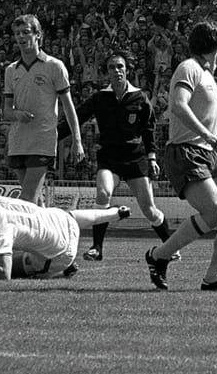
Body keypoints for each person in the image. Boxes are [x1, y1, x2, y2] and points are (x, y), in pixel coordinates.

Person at [145, 20, 217, 291]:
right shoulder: (189, 68)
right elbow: (178, 106)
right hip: (186, 152)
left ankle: (212, 279)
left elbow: (205, 122)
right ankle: (159, 256)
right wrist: (209, 138)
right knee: (215, 212)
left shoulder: (207, 75)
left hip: (209, 153)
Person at [64, 52, 172, 262]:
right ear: (107, 72)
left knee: (149, 210)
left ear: (127, 70)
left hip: (135, 158)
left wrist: (152, 158)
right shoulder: (100, 98)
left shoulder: (140, 97)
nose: (117, 70)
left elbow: (149, 130)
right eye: (112, 67)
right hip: (109, 157)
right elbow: (76, 117)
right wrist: (54, 134)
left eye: (120, 66)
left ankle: (170, 246)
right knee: (103, 194)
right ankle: (97, 248)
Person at [0, 193, 130, 280]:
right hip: (61, 218)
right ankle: (115, 213)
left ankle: (62, 270)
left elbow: (2, 274)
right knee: (74, 217)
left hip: (60, 254)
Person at [3, 14, 85, 205]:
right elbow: (6, 111)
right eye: (17, 33)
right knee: (36, 203)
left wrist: (77, 140)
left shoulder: (54, 66)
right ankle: (51, 235)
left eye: (26, 32)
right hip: (18, 140)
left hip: (42, 140)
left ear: (38, 34)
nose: (21, 37)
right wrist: (16, 114)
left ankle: (19, 235)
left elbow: (68, 106)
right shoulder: (11, 70)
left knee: (27, 200)